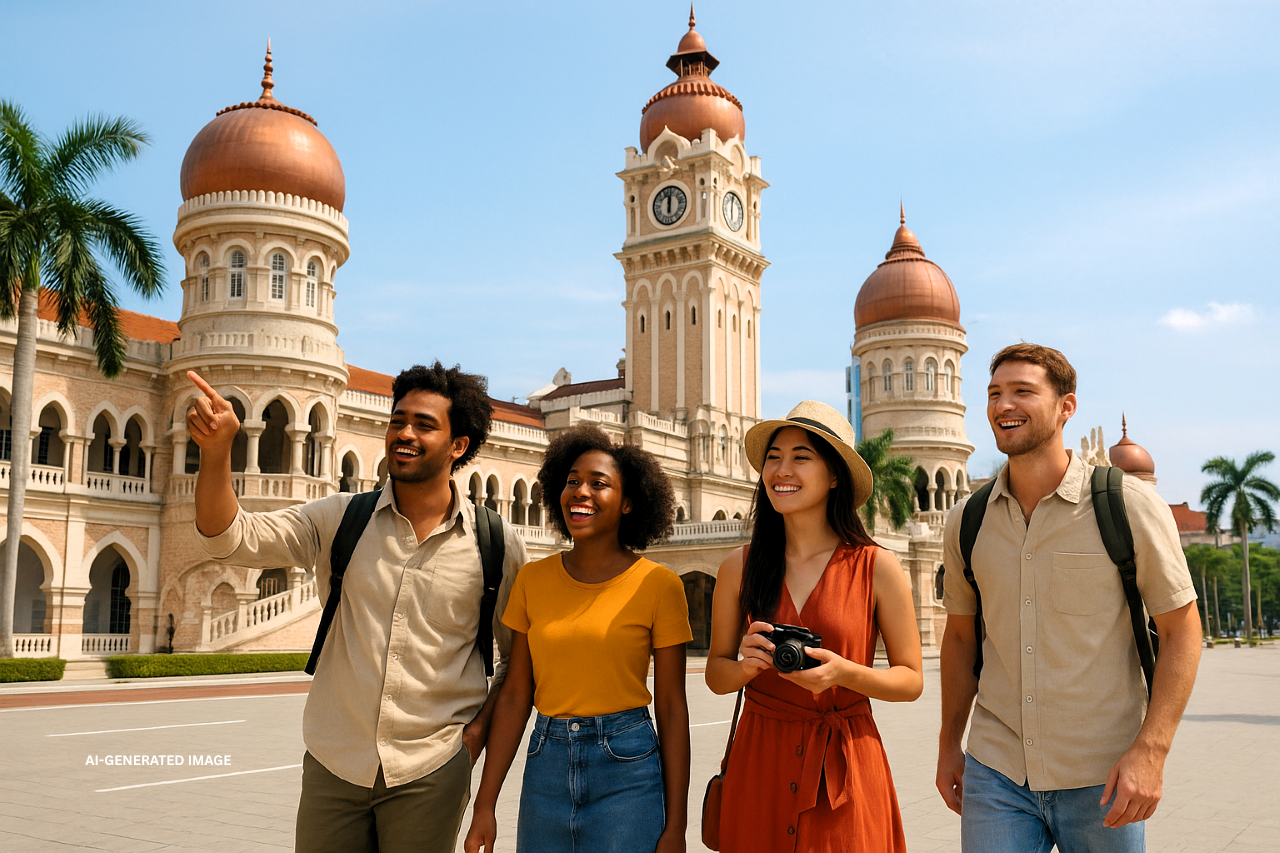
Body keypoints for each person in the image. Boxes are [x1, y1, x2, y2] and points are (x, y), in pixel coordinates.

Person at [186, 362, 527, 853]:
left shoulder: (496, 543)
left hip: (432, 769)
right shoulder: (341, 518)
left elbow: (517, 662)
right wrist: (217, 452)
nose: (404, 433)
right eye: (397, 420)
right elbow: (228, 538)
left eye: (424, 425)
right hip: (334, 765)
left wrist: (472, 738)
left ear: (458, 446)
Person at [935, 343, 1202, 852]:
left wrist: (1152, 750)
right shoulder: (969, 520)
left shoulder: (1127, 505)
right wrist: (950, 744)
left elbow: (1182, 629)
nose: (1003, 405)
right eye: (994, 393)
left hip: (1103, 773)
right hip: (997, 770)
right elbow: (961, 639)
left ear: (1066, 406)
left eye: (1023, 391)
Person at [705, 400, 923, 853]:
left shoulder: (877, 567)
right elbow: (715, 676)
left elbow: (911, 681)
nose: (781, 470)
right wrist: (746, 667)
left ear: (835, 475)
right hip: (758, 768)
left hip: (845, 765)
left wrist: (844, 673)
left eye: (801, 457)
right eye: (773, 457)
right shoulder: (738, 567)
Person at [464, 423, 691, 853]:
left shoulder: (659, 585)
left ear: (628, 503)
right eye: (572, 481)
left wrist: (676, 825)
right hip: (546, 766)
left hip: (628, 771)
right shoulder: (533, 580)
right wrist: (485, 804)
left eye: (598, 484)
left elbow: (671, 707)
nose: (580, 492)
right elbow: (516, 695)